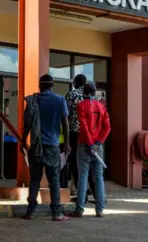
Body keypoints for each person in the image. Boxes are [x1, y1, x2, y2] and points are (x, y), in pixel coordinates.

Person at [21, 74, 70, 221]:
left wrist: (23, 142)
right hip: (52, 147)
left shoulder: (32, 100)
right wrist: (66, 144)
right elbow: (65, 124)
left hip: (36, 146)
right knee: (54, 180)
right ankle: (56, 213)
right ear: (52, 85)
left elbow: (27, 125)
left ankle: (30, 211)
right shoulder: (60, 100)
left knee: (34, 179)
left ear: (40, 86)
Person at [68, 82, 111, 218]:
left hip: (84, 145)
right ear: (94, 92)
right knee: (98, 177)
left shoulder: (81, 106)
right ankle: (99, 209)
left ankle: (79, 209)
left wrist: (89, 142)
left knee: (83, 177)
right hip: (98, 147)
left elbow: (84, 126)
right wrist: (98, 142)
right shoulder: (101, 106)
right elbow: (107, 127)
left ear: (83, 92)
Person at [65, 74, 96, 203]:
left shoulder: (71, 95)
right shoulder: (92, 97)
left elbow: (65, 114)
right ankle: (96, 194)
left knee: (75, 163)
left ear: (75, 83)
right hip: (90, 134)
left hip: (74, 133)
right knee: (89, 164)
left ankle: (81, 195)